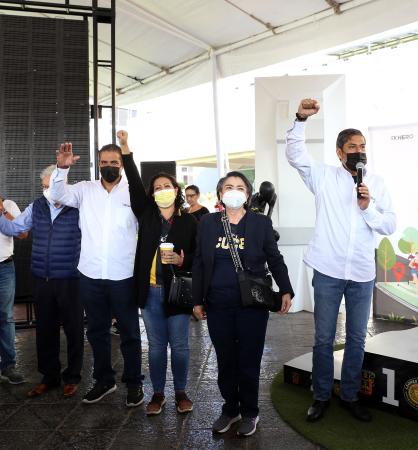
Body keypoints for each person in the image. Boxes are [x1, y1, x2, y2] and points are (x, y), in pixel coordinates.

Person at [286, 99, 396, 423]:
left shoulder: (377, 183)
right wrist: (300, 120)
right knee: (323, 338)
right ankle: (321, 396)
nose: (359, 151)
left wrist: (368, 207)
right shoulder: (322, 176)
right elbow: (295, 156)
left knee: (357, 338)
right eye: (352, 147)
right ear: (339, 152)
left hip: (362, 273)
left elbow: (389, 225)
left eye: (362, 146)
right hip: (328, 271)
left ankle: (350, 395)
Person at [192, 171, 293, 437]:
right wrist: (197, 300)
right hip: (218, 304)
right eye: (228, 186)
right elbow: (199, 262)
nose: (234, 191)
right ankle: (230, 409)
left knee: (249, 360)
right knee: (225, 360)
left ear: (247, 195)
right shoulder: (208, 223)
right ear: (220, 193)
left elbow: (274, 258)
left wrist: (286, 289)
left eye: (239, 187)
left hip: (252, 305)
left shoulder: (260, 223)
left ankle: (250, 412)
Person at [50, 141, 144, 407]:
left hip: (123, 275)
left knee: (129, 332)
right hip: (90, 274)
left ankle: (134, 383)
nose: (109, 166)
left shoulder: (133, 193)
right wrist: (62, 168)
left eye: (114, 162)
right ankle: (104, 380)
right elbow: (57, 194)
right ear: (98, 164)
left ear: (122, 164)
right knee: (97, 331)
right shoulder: (85, 189)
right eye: (104, 162)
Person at [118, 130, 198, 416]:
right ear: (152, 194)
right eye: (157, 187)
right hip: (150, 292)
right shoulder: (146, 214)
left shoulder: (189, 222)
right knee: (155, 347)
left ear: (176, 190)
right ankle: (158, 394)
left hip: (178, 292)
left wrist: (183, 259)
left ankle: (181, 392)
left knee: (180, 346)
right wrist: (126, 149)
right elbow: (133, 182)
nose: (163, 189)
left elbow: (199, 257)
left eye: (167, 185)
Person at [0, 165, 83, 398]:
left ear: (63, 185)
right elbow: (15, 228)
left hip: (70, 279)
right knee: (45, 331)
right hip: (42, 279)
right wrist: (0, 211)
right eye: (44, 186)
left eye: (52, 186)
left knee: (74, 330)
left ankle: (72, 377)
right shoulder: (36, 206)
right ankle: (49, 377)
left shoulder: (78, 207)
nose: (48, 190)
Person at [0, 196, 26, 385]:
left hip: (4, 268)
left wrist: (2, 210)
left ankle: (8, 366)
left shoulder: (9, 205)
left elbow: (22, 233)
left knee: (6, 316)